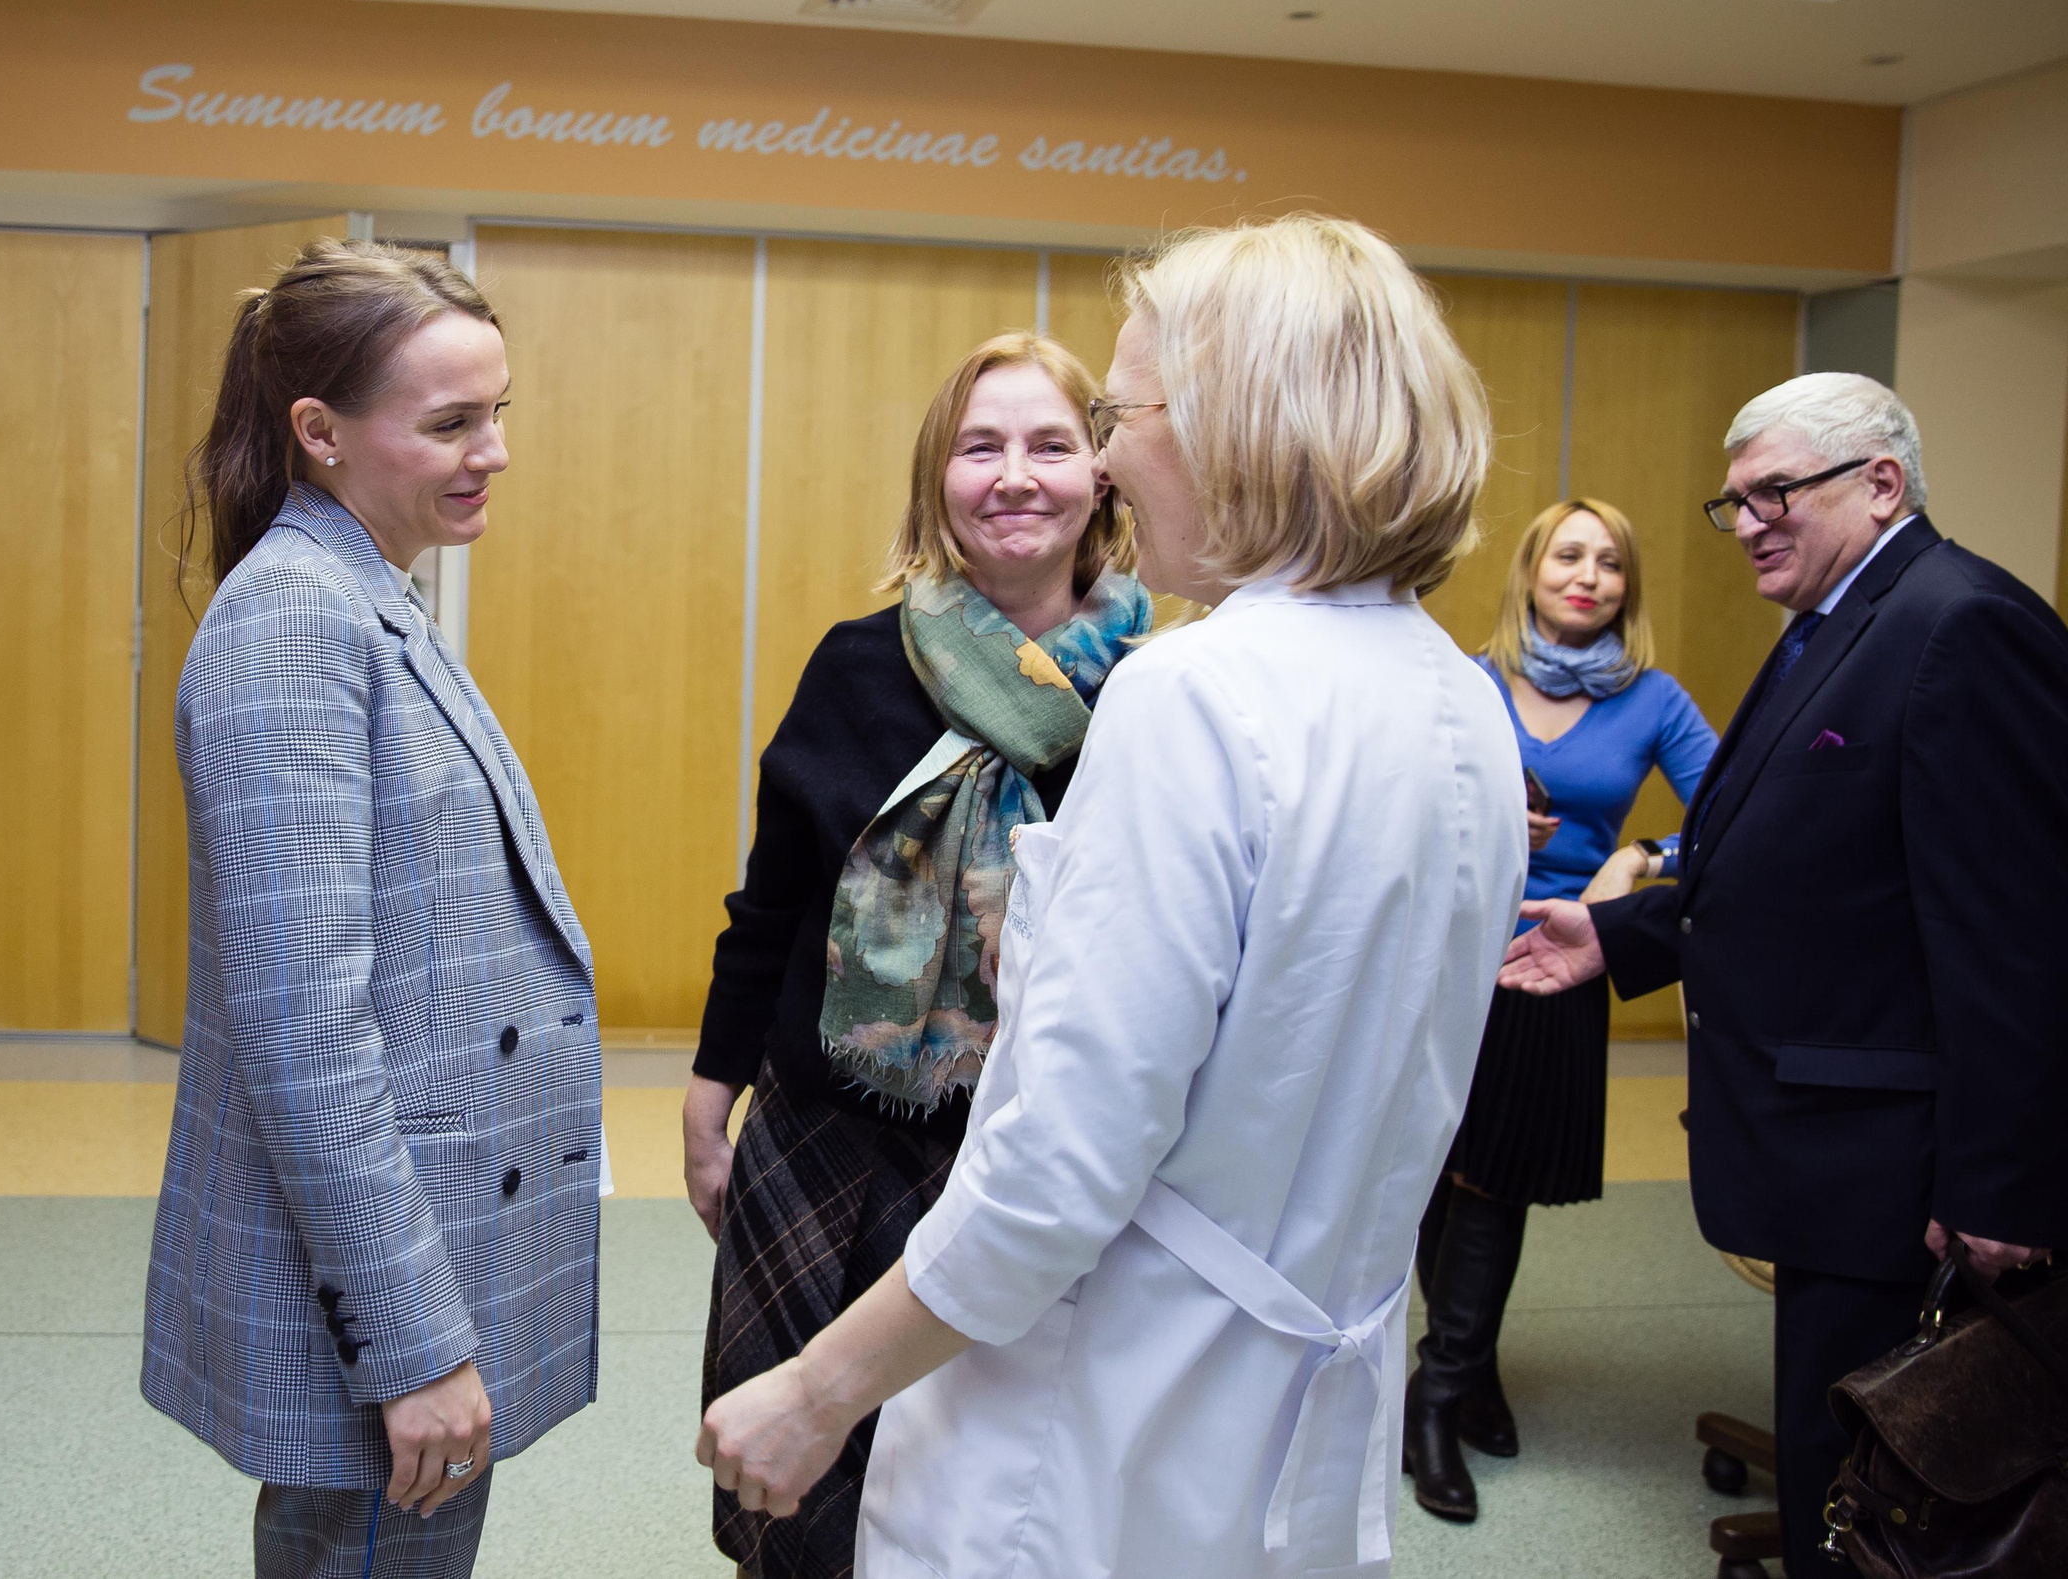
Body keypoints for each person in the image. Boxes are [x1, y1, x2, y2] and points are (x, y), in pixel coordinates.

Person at [697, 215, 1526, 1578]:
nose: (1114, 456)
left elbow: (1057, 1170)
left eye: (1122, 411)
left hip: (1108, 1410)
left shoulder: (1191, 692)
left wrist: (818, 1386)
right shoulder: (1453, 694)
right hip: (1296, 1392)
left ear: (1235, 427)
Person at [1501, 372, 2068, 1578]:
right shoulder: (1835, 620)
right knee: (1838, 1465)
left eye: (1774, 492)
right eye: (1734, 500)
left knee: (1885, 1495)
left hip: (1896, 1158)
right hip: (1822, 1145)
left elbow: (2014, 931)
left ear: (1880, 484)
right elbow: (1801, 873)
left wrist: (2002, 1186)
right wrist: (1624, 939)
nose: (1748, 519)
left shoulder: (1959, 623)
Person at [141, 241, 603, 1579]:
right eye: (452, 422)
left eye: (499, 410)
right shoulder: (293, 619)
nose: (493, 451)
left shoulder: (364, 595)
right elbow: (304, 1034)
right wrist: (414, 1345)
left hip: (424, 1240)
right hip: (381, 1296)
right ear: (320, 433)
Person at [688, 331, 1149, 1579]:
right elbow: (775, 896)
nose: (1015, 475)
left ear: (1101, 475)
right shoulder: (856, 662)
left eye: (1051, 444)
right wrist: (710, 1089)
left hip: (1025, 1152)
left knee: (976, 1495)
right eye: (978, 446)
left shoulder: (1158, 694)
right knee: (787, 1496)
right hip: (821, 1131)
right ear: (934, 479)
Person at [1406, 499, 1719, 1522]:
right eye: (1567, 555)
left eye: (1611, 563)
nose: (1588, 575)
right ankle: (1470, 1372)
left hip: (1560, 958)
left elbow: (1739, 811)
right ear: (1530, 572)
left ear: (1627, 588)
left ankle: (1436, 1393)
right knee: (1433, 1172)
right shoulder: (1459, 677)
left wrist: (1642, 857)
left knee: (1495, 1182)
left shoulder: (1655, 699)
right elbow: (1390, 793)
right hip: (1444, 947)